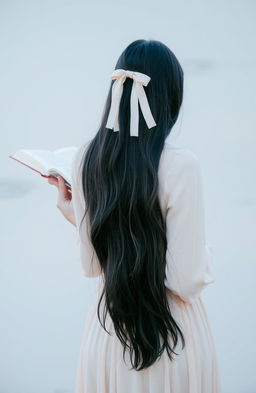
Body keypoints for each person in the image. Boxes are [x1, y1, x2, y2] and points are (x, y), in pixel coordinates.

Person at [48, 39, 221, 393]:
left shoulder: (87, 159)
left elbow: (92, 266)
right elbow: (186, 280)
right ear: (169, 99)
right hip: (172, 337)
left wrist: (79, 217)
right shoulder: (182, 166)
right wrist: (205, 251)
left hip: (108, 334)